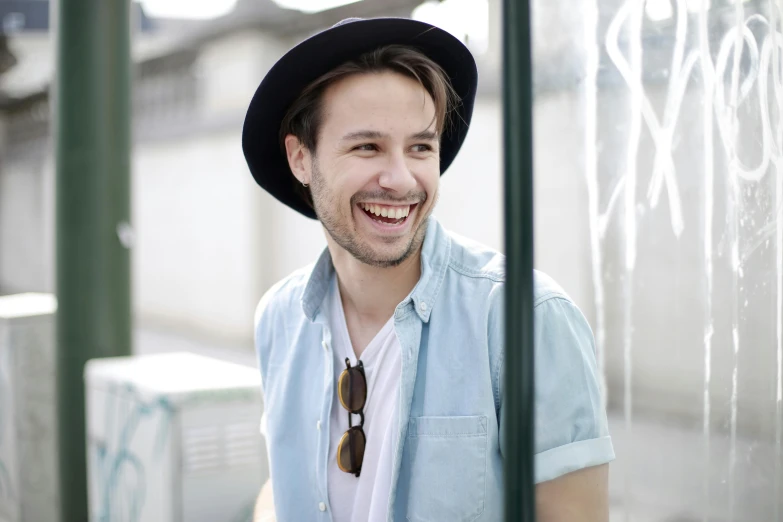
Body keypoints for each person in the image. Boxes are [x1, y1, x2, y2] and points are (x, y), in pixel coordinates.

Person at [244, 17, 615, 522]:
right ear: (300, 159)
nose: (401, 179)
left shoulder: (523, 319)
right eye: (367, 146)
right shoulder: (280, 318)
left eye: (421, 147)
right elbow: (281, 485)